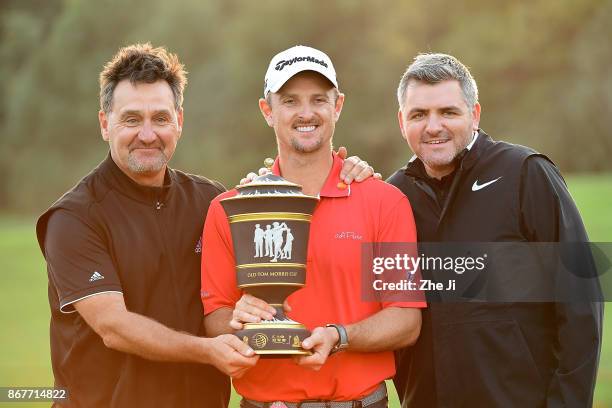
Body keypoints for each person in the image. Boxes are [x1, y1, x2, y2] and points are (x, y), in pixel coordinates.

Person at [35, 43, 375, 408]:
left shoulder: (210, 200)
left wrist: (346, 172)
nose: (148, 134)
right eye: (132, 119)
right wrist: (206, 350)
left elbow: (236, 296)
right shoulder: (73, 217)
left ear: (179, 121)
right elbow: (113, 327)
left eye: (161, 119)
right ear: (105, 124)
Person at [201, 45, 425, 407]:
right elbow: (215, 319)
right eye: (290, 100)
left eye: (318, 100)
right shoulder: (229, 210)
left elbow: (405, 319)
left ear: (337, 106)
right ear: (267, 111)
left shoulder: (386, 203)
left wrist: (340, 336)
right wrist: (239, 319)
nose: (306, 113)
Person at [387, 53, 603, 407]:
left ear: (474, 114)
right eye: (419, 114)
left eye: (448, 112)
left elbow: (581, 302)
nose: (433, 126)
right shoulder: (393, 195)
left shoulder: (525, 173)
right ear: (401, 121)